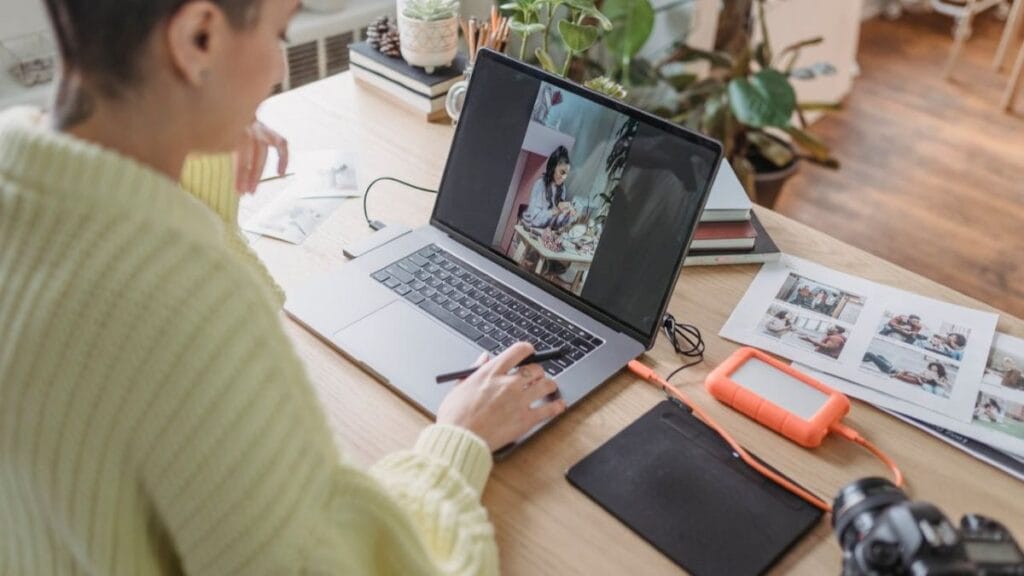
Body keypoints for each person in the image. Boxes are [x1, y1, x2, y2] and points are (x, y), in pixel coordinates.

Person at [0, 1, 565, 574]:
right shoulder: (192, 304)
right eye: (279, 32)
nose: (275, 70)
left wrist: (190, 134)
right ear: (199, 38)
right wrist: (457, 443)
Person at [522, 145, 576, 231]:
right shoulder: (540, 185)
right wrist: (556, 210)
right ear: (553, 167)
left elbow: (556, 223)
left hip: (544, 233)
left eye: (566, 174)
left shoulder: (562, 189)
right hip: (529, 230)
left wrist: (567, 215)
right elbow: (535, 220)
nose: (564, 177)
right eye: (562, 172)